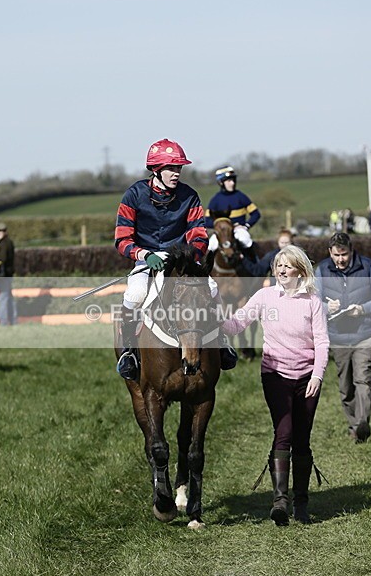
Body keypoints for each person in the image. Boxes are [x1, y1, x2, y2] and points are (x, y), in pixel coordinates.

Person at [223, 245, 329, 525]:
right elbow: (236, 324)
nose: (281, 270)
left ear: (300, 270)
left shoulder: (313, 301)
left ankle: (302, 502)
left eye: (287, 265)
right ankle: (280, 501)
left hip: (307, 376)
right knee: (284, 432)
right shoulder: (265, 296)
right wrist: (210, 317)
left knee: (302, 438)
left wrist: (317, 375)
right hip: (275, 374)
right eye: (278, 265)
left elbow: (322, 341)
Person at [114, 138, 237, 380]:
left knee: (212, 289)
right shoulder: (133, 195)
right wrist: (143, 254)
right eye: (171, 168)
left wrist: (190, 258)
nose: (177, 173)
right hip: (147, 258)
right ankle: (128, 350)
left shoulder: (189, 196)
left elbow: (199, 236)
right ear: (155, 170)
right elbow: (122, 239)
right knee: (135, 294)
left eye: (179, 167)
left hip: (182, 259)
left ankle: (221, 342)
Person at [314, 232, 371, 444]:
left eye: (344, 254)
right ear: (330, 253)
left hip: (366, 334)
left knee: (363, 379)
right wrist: (328, 307)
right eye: (336, 255)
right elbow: (314, 302)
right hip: (337, 336)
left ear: (351, 251)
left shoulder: (367, 267)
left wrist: (363, 309)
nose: (340, 259)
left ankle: (362, 425)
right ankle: (354, 425)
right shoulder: (322, 270)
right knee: (346, 387)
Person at [205, 166, 261, 260]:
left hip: (238, 230)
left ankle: (255, 264)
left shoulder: (241, 196)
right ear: (221, 183)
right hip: (222, 233)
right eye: (229, 181)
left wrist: (246, 225)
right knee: (211, 246)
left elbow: (256, 214)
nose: (233, 183)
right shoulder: (215, 200)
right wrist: (220, 227)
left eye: (233, 180)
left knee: (245, 240)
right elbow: (207, 221)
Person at [0, 222, 17, 326]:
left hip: (4, 274)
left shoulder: (4, 243)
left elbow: (2, 259)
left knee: (3, 297)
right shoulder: (4, 242)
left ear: (5, 232)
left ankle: (3, 321)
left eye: (0, 231)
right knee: (9, 297)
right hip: (7, 274)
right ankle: (13, 319)